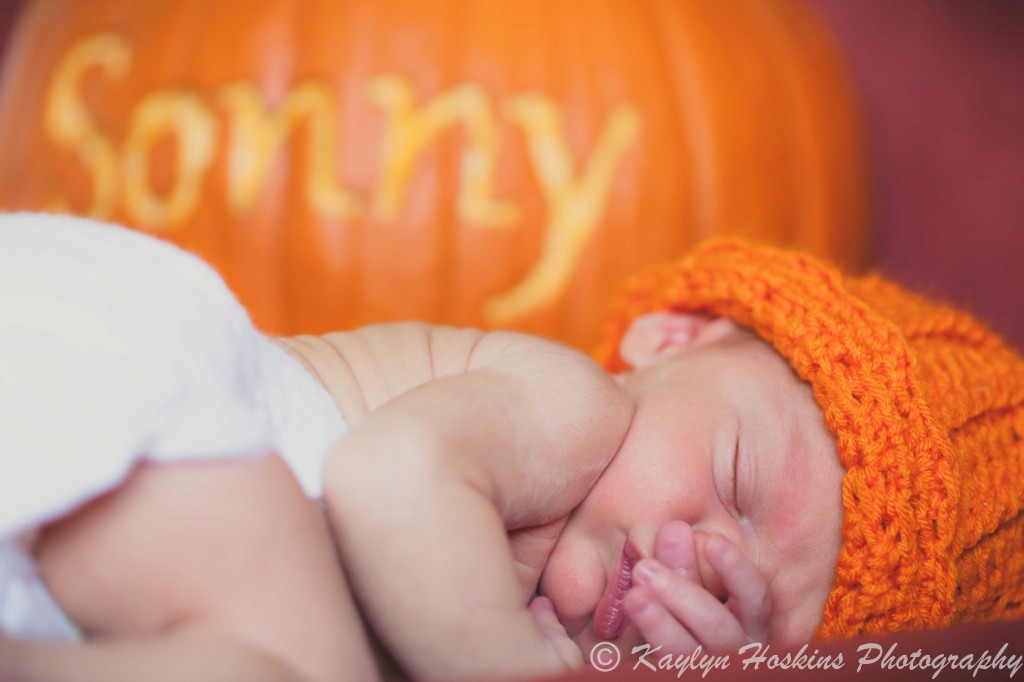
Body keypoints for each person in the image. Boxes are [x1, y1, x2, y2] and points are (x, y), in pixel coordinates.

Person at [2, 213, 1022, 681]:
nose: (708, 557)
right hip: (146, 368)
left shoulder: (511, 601)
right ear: (672, 338)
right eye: (733, 481)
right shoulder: (568, 405)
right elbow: (386, 478)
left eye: (758, 603)